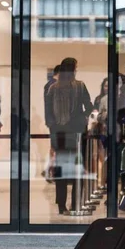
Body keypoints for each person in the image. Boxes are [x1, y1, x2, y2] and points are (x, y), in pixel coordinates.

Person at [45, 58, 93, 215]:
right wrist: (82, 118)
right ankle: (75, 205)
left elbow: (49, 116)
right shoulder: (79, 86)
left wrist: (55, 128)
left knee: (62, 171)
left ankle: (62, 206)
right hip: (76, 133)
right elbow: (90, 106)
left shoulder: (53, 88)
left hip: (60, 133)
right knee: (77, 170)